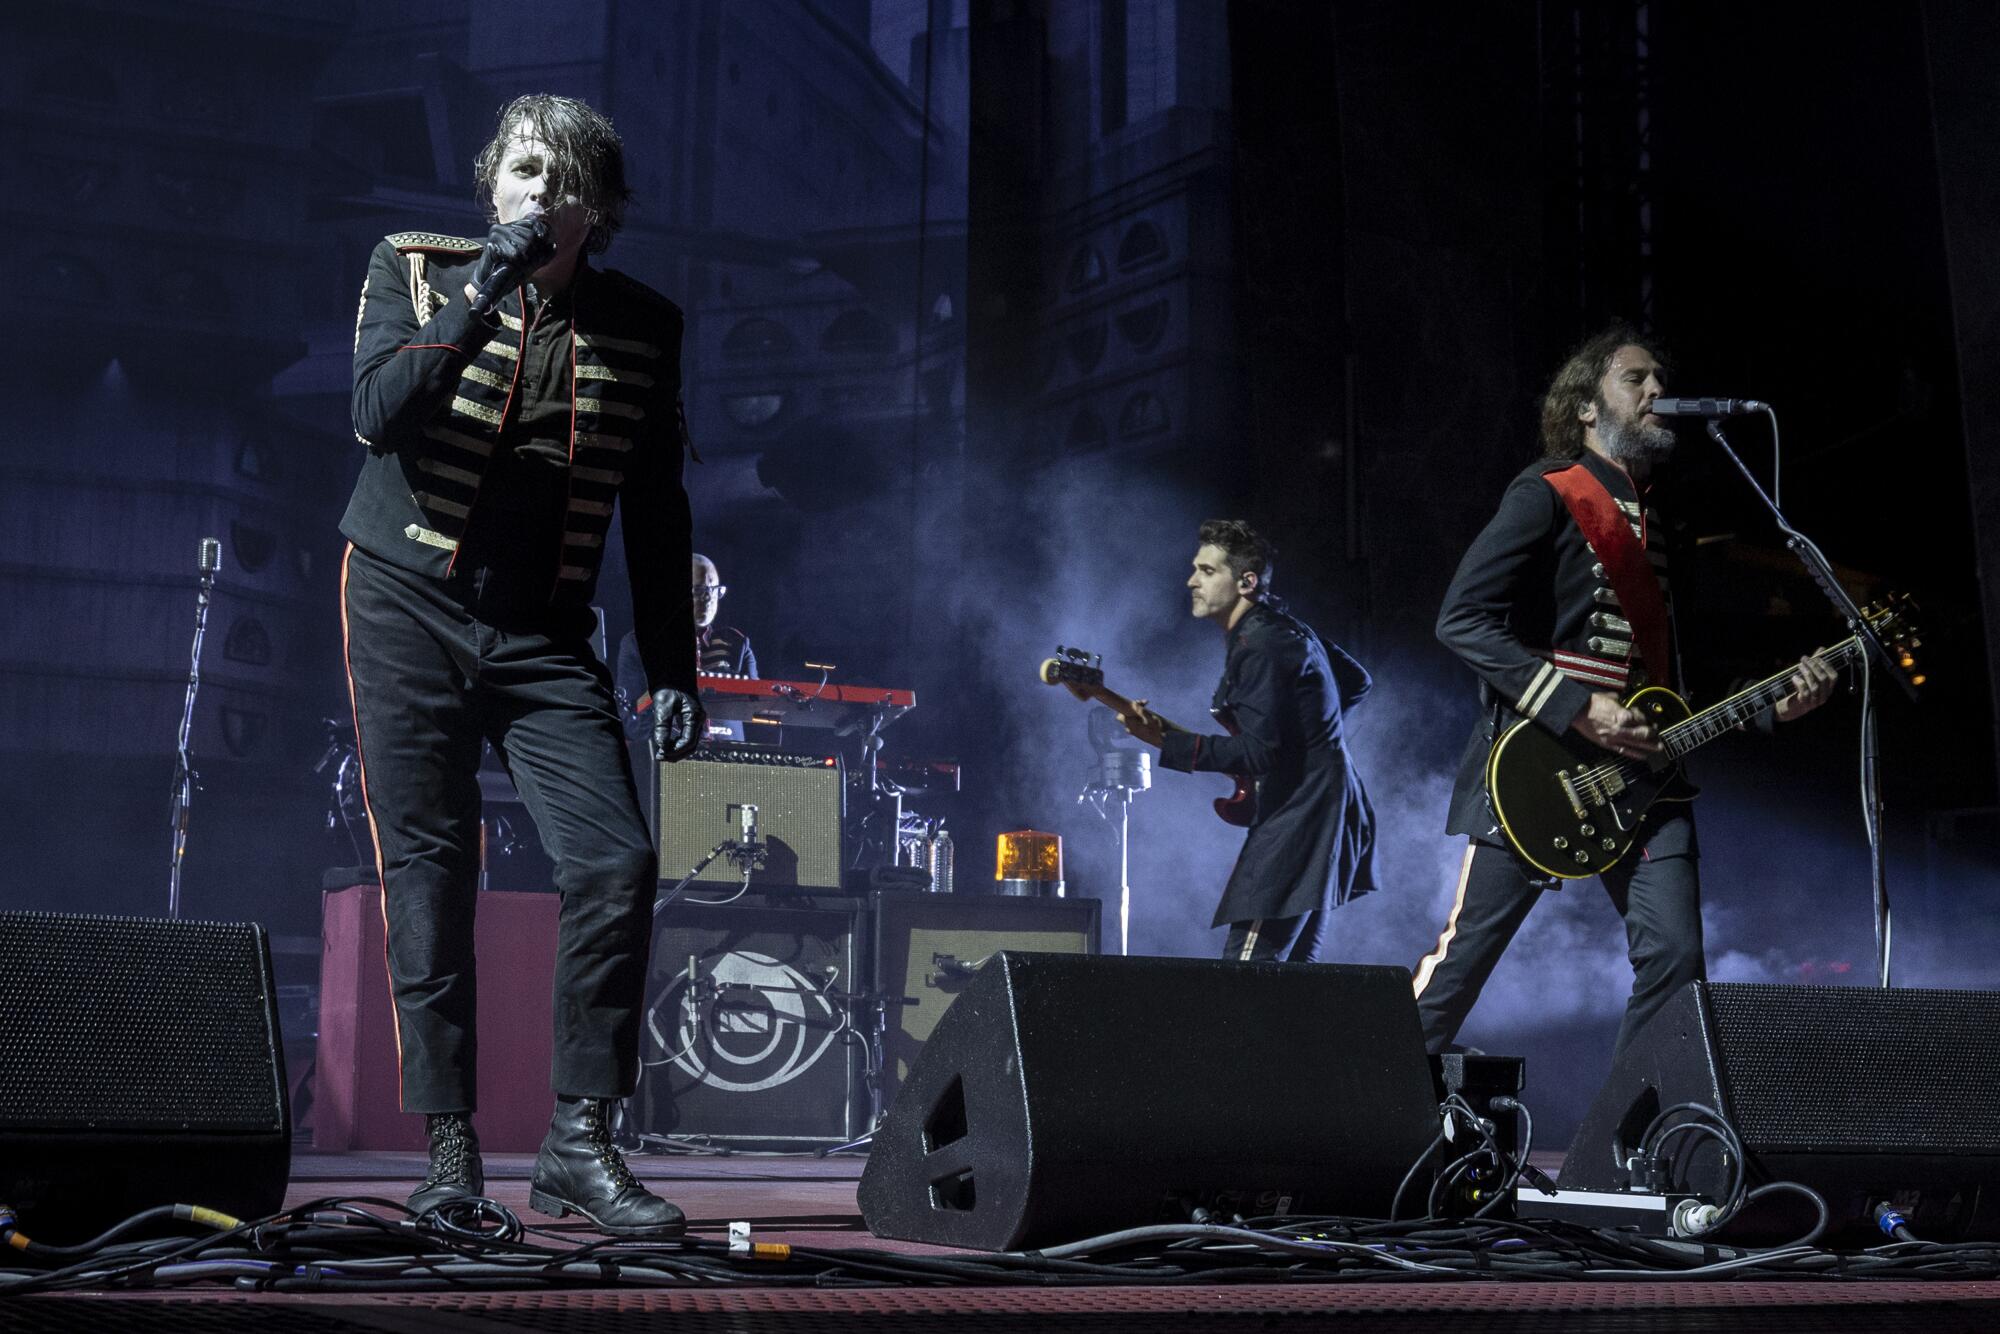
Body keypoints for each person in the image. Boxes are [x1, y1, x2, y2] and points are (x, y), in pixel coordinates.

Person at [339, 93, 706, 1234]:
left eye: (564, 178)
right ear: (492, 182)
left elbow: (656, 507)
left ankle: (578, 1143)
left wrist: (672, 665)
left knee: (616, 857)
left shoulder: (644, 324)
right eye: (523, 170)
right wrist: (481, 287)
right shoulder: (415, 268)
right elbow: (376, 414)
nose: (540, 192)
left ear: (599, 210)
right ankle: (450, 1154)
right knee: (432, 863)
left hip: (545, 626)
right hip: (404, 597)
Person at [1411, 325, 1838, 1060]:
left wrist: (1772, 706)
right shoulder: (1549, 492)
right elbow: (1461, 620)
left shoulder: (1668, 522)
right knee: (1463, 963)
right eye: (1635, 379)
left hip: (1649, 777)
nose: (1657, 391)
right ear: (1586, 406)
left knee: (1677, 960)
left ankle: (1633, 1125)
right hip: (1540, 765)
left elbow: (1686, 678)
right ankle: (1368, 1102)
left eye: (1661, 379)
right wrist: (1577, 707)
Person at [1119, 520, 1379, 961]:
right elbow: (1356, 682)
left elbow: (1258, 752)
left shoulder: (1261, 645)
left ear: (1246, 582)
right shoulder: (1282, 628)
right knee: (1287, 975)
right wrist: (1313, 739)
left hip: (1300, 819)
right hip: (1326, 810)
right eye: (1194, 569)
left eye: (1206, 571)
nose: (1192, 581)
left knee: (1246, 976)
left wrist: (1165, 742)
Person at [617, 553, 756, 743]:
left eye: (714, 589)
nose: (708, 597)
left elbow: (760, 708)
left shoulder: (736, 644)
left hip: (729, 753)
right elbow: (631, 721)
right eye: (698, 589)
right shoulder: (638, 644)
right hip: (667, 752)